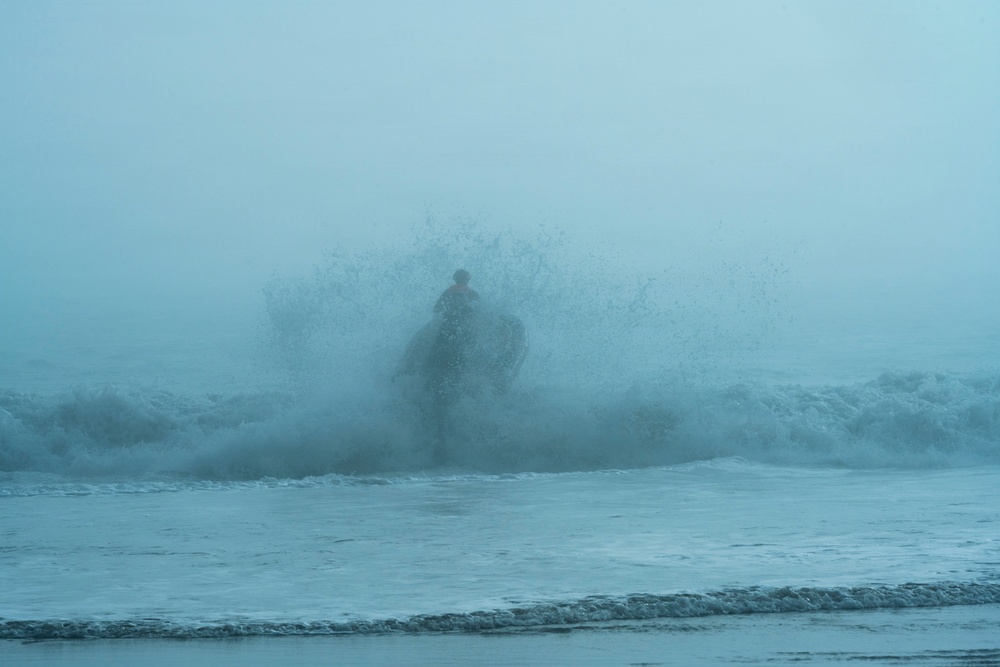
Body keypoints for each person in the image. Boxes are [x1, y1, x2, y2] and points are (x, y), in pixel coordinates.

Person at [425, 269, 480, 405]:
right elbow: (479, 309)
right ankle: (462, 378)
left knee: (436, 348)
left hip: (448, 326)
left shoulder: (448, 291)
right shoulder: (472, 293)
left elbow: (437, 308)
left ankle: (428, 371)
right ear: (468, 279)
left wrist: (448, 307)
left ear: (455, 278)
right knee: (464, 352)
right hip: (465, 329)